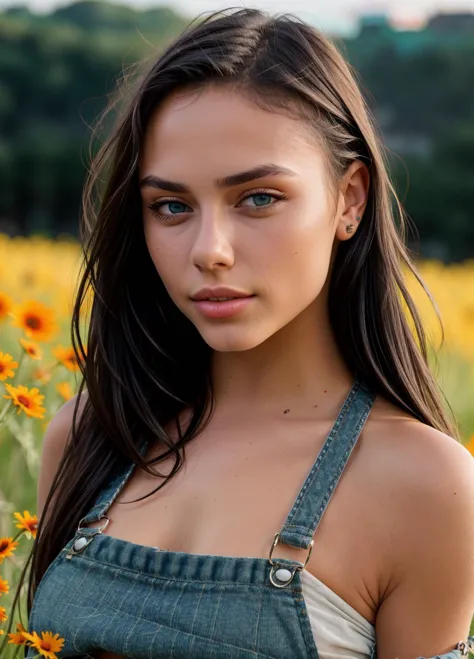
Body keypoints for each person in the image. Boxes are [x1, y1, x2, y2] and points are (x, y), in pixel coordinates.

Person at [7, 7, 474, 659]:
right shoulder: (93, 433)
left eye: (257, 198)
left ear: (350, 200)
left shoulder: (427, 486)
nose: (210, 250)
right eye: (171, 206)